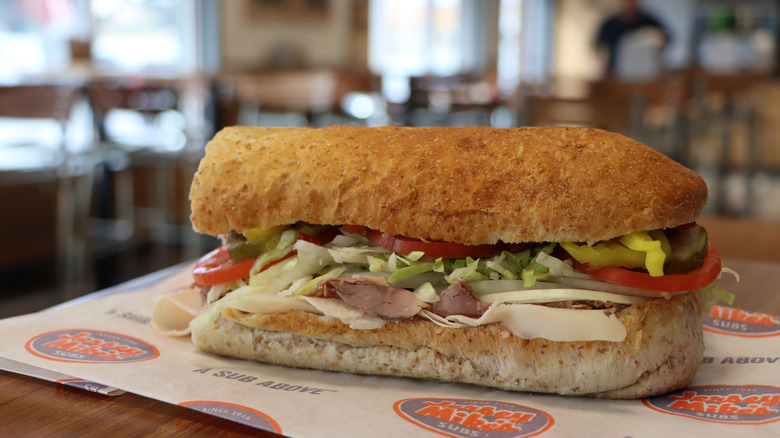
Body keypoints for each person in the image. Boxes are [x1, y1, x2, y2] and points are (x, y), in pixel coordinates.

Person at [594, 0, 670, 77]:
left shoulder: (649, 22)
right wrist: (604, 69)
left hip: (647, 76)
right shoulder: (610, 24)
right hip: (616, 76)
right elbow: (599, 48)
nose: (630, 2)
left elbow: (665, 39)